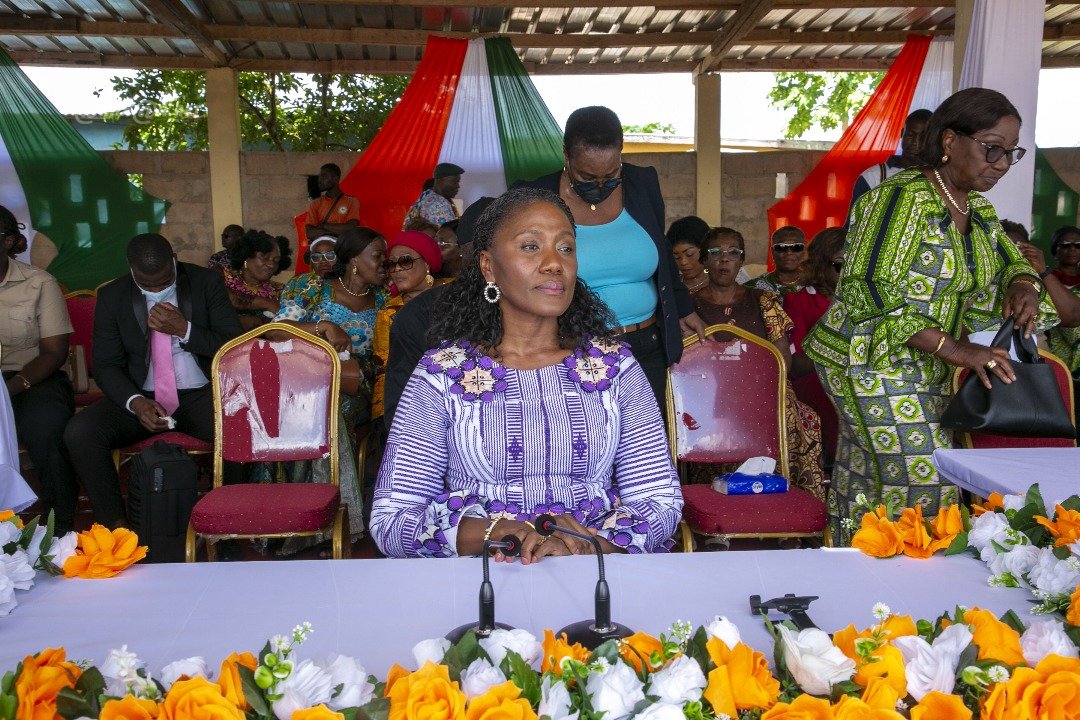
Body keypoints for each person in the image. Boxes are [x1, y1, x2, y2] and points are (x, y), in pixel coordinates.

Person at [371, 187, 683, 560]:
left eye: (566, 248)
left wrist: (584, 542)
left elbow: (659, 502)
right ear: (488, 266)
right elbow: (392, 521)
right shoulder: (441, 375)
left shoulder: (614, 368)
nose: (555, 263)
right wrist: (492, 532)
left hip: (592, 576)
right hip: (481, 580)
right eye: (531, 247)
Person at [803, 87, 1055, 545]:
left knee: (867, 480)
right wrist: (957, 348)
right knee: (924, 479)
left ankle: (851, 570)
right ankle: (909, 586)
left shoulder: (976, 209)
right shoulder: (899, 199)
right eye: (990, 148)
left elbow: (1012, 260)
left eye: (1010, 153)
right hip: (867, 360)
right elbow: (869, 289)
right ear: (949, 141)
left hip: (930, 365)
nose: (1000, 164)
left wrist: (1023, 284)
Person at [516, 106, 706, 410]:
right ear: (566, 155)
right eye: (587, 177)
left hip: (645, 346)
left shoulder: (642, 183)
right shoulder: (533, 196)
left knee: (642, 449)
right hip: (567, 347)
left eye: (611, 175)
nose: (600, 186)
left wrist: (682, 307)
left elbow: (662, 250)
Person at [63, 233, 243, 528]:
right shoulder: (113, 295)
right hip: (142, 395)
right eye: (148, 285)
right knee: (80, 432)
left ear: (174, 259)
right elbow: (106, 365)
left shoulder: (205, 282)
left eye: (165, 281)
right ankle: (117, 529)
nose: (158, 289)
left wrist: (185, 330)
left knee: (239, 427)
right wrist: (135, 403)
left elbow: (233, 345)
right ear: (131, 269)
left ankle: (226, 524)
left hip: (201, 393)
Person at [691, 226, 826, 500]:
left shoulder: (763, 300)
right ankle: (714, 507)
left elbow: (781, 361)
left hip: (761, 391)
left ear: (741, 260)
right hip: (708, 394)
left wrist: (753, 390)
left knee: (803, 417)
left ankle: (793, 507)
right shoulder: (689, 307)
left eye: (733, 253)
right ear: (704, 260)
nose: (724, 259)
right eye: (716, 252)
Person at [272, 227, 388, 542]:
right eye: (377, 257)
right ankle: (308, 518)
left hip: (355, 386)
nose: (384, 264)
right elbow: (275, 331)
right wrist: (323, 326)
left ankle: (339, 521)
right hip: (308, 383)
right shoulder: (315, 289)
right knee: (318, 407)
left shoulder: (385, 297)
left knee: (331, 412)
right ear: (353, 260)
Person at [0, 206, 78, 534]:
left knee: (45, 426)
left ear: (7, 241)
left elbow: (53, 352)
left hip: (30, 377)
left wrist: (9, 389)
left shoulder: (38, 282)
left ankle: (57, 525)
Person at [785, 227, 846, 466]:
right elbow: (797, 364)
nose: (847, 272)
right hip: (818, 383)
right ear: (822, 264)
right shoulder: (799, 300)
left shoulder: (865, 300)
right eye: (840, 265)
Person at [372, 230, 443, 421]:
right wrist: (387, 421)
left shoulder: (453, 297)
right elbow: (384, 371)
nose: (397, 270)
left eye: (405, 261)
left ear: (427, 263)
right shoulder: (389, 312)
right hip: (409, 407)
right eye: (391, 264)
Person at [1014, 227, 1080, 421]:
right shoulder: (1036, 281)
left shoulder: (1041, 278)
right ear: (1055, 249)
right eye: (1065, 245)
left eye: (1078, 245)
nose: (1072, 250)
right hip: (1049, 362)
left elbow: (1074, 318)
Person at [848, 109, 932, 210]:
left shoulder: (941, 178)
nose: (916, 142)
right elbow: (854, 223)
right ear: (902, 134)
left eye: (923, 137)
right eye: (910, 135)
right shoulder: (873, 177)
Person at [223, 230, 292, 331]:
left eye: (276, 260)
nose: (271, 264)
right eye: (264, 258)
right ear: (246, 255)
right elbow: (230, 299)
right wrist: (266, 303)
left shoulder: (282, 291)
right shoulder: (222, 275)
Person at [304, 163, 361, 241]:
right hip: (322, 248)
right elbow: (309, 233)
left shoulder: (352, 201)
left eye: (324, 176)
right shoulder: (315, 203)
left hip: (342, 248)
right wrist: (334, 232)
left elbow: (351, 228)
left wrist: (323, 225)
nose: (319, 180)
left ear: (335, 179)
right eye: (320, 176)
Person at [748, 226, 806, 296]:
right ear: (772, 252)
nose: (789, 252)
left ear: (803, 251)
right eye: (781, 247)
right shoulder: (752, 289)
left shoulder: (817, 286)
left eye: (796, 247)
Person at [403, 163, 464, 229]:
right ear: (440, 180)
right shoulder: (438, 204)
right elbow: (448, 236)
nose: (458, 186)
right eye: (454, 181)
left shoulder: (427, 195)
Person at [668, 216, 711, 294]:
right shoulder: (670, 286)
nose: (683, 262)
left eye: (689, 254)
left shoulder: (720, 283)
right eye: (676, 257)